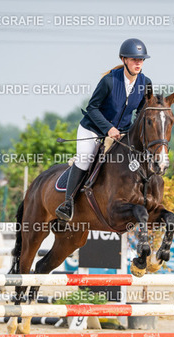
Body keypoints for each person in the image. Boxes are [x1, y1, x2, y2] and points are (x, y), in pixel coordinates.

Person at [55, 38, 153, 222]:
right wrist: (108, 128)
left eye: (141, 59)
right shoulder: (109, 81)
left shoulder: (145, 83)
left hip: (121, 133)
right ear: (124, 59)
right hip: (93, 129)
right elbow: (92, 108)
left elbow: (141, 112)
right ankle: (68, 204)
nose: (138, 63)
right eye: (134, 59)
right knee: (85, 159)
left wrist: (133, 133)